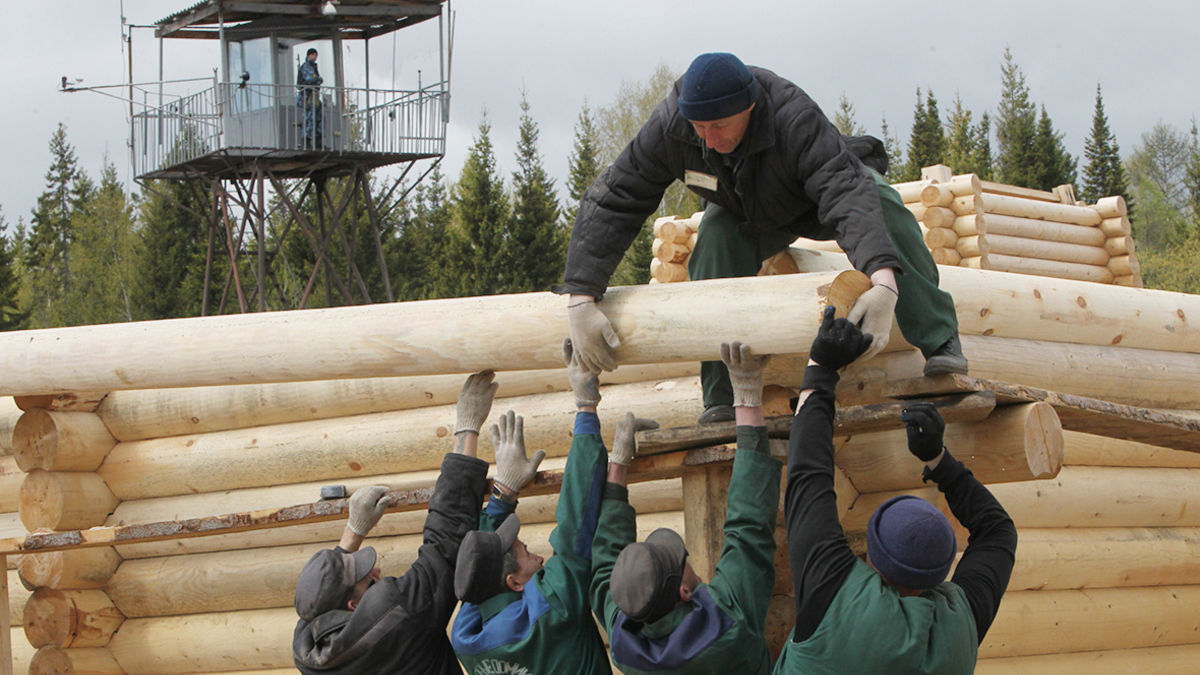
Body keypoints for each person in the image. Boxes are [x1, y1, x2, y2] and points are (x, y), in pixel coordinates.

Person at [560, 52, 967, 425]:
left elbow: (845, 193)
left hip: (813, 197)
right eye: (699, 127)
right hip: (746, 209)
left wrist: (883, 283)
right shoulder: (672, 125)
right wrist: (581, 296)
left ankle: (939, 338)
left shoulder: (792, 114)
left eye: (719, 126)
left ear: (750, 107)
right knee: (715, 237)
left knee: (881, 202)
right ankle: (719, 396)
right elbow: (617, 196)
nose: (708, 139)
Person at [775, 306, 1017, 674]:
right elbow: (998, 531)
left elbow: (809, 473)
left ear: (870, 553)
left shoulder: (836, 591)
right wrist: (939, 459)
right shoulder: (962, 620)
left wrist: (821, 366)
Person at [452, 339, 645, 675]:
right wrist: (586, 408)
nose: (540, 558)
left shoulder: (466, 638)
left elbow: (476, 571)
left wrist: (504, 493)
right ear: (514, 583)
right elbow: (576, 517)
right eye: (527, 554)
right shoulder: (552, 607)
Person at [291, 371, 501, 675]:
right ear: (353, 606)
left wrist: (354, 530)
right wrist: (467, 431)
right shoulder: (395, 616)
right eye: (366, 577)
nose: (376, 570)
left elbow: (313, 602)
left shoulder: (308, 651)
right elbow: (445, 544)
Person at [591, 341, 782, 674]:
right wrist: (748, 395)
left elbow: (604, 566)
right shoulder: (726, 622)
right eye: (682, 560)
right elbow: (749, 527)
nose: (686, 557)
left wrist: (618, 463)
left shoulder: (625, 640)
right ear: (684, 591)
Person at [297, 47, 324, 149]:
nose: (315, 57)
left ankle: (318, 141)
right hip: (307, 96)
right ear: (311, 55)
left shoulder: (311, 66)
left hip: (313, 96)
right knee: (309, 118)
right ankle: (306, 141)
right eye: (315, 55)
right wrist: (319, 79)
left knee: (318, 117)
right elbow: (311, 79)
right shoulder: (307, 66)